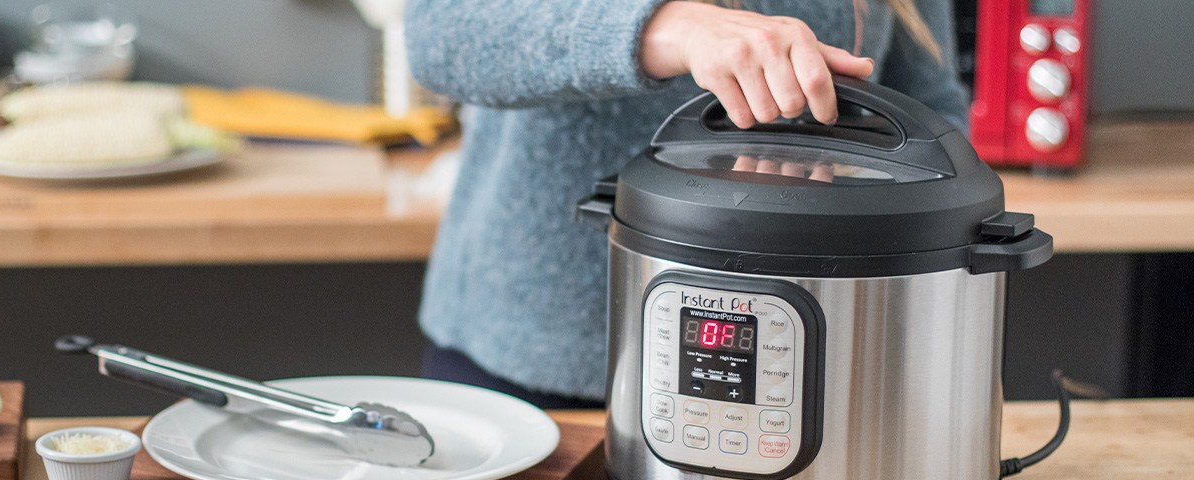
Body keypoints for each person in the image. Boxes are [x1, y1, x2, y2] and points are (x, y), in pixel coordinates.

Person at [407, 0, 969, 408]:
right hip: (530, 365)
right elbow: (442, 34)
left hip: (812, 371)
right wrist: (667, 27)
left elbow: (929, 103)